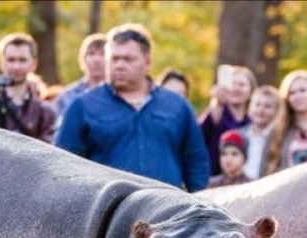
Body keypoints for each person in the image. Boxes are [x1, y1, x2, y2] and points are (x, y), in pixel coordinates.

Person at [56, 23, 209, 191]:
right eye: (114, 59)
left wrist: (199, 204)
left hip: (167, 211)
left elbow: (196, 162)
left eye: (128, 59)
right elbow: (65, 167)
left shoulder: (177, 105)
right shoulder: (82, 106)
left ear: (147, 62)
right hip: (109, 212)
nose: (119, 65)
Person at [0, 33, 56, 143]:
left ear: (34, 64)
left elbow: (49, 151)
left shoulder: (44, 111)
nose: (16, 67)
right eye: (11, 60)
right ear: (1, 61)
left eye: (22, 60)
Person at [198, 65, 257, 176]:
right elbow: (199, 134)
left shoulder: (252, 121)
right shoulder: (218, 112)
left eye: (242, 85)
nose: (236, 88)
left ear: (251, 91)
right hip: (213, 180)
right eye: (233, 84)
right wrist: (217, 102)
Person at [55, 33, 106, 120]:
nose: (96, 59)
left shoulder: (120, 95)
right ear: (83, 58)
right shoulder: (67, 96)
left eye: (102, 54)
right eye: (91, 54)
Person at [240, 85, 281, 179]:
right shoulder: (240, 135)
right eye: (257, 104)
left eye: (267, 106)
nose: (261, 110)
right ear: (249, 108)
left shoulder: (279, 137)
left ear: (277, 111)